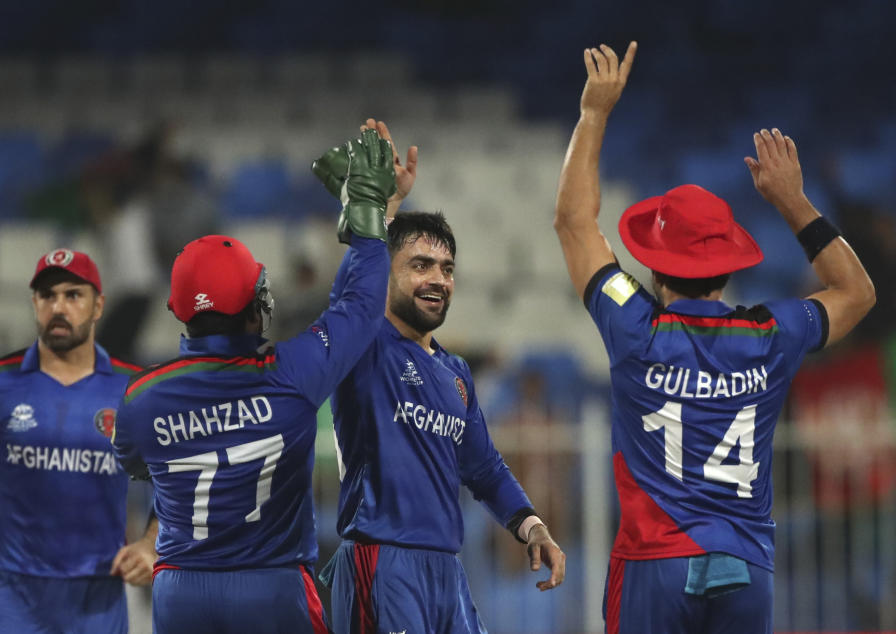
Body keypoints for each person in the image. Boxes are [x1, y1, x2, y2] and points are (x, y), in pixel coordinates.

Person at [553, 41, 875, 632]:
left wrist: (594, 113)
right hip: (745, 568)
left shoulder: (632, 325)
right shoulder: (771, 333)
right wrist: (793, 201)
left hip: (656, 565)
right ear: (727, 266)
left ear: (652, 266)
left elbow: (574, 222)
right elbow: (857, 294)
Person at [110, 128, 395, 634]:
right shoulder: (293, 374)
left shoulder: (141, 398)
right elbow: (362, 306)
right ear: (254, 308)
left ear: (179, 310)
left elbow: (135, 463)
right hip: (273, 588)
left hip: (181, 592)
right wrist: (368, 213)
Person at [312, 120, 566, 634]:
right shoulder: (366, 346)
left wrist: (531, 524)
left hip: (446, 569)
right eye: (421, 265)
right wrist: (384, 209)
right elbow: (353, 296)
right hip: (382, 564)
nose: (438, 280)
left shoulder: (455, 372)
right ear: (388, 274)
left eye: (447, 269)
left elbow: (485, 468)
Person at [0, 248, 158, 633]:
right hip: (8, 595)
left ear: (98, 306)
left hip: (99, 599)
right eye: (47, 296)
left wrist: (150, 543)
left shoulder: (135, 389)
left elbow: (175, 476)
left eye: (73, 295)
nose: (59, 307)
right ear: (34, 302)